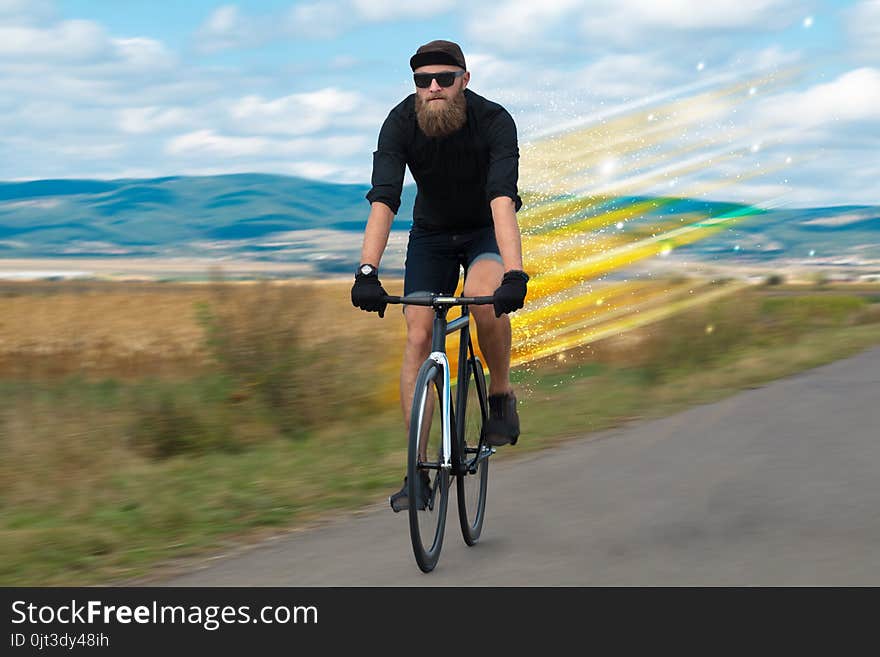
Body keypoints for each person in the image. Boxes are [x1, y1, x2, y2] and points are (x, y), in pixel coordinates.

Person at [350, 39, 529, 512]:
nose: (432, 88)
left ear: (464, 82)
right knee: (417, 333)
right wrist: (366, 271)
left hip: (485, 230)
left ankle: (499, 394)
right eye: (422, 81)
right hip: (431, 235)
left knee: (482, 296)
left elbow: (502, 201)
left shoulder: (494, 121)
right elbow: (384, 198)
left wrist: (514, 273)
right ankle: (417, 473)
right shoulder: (400, 122)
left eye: (444, 80)